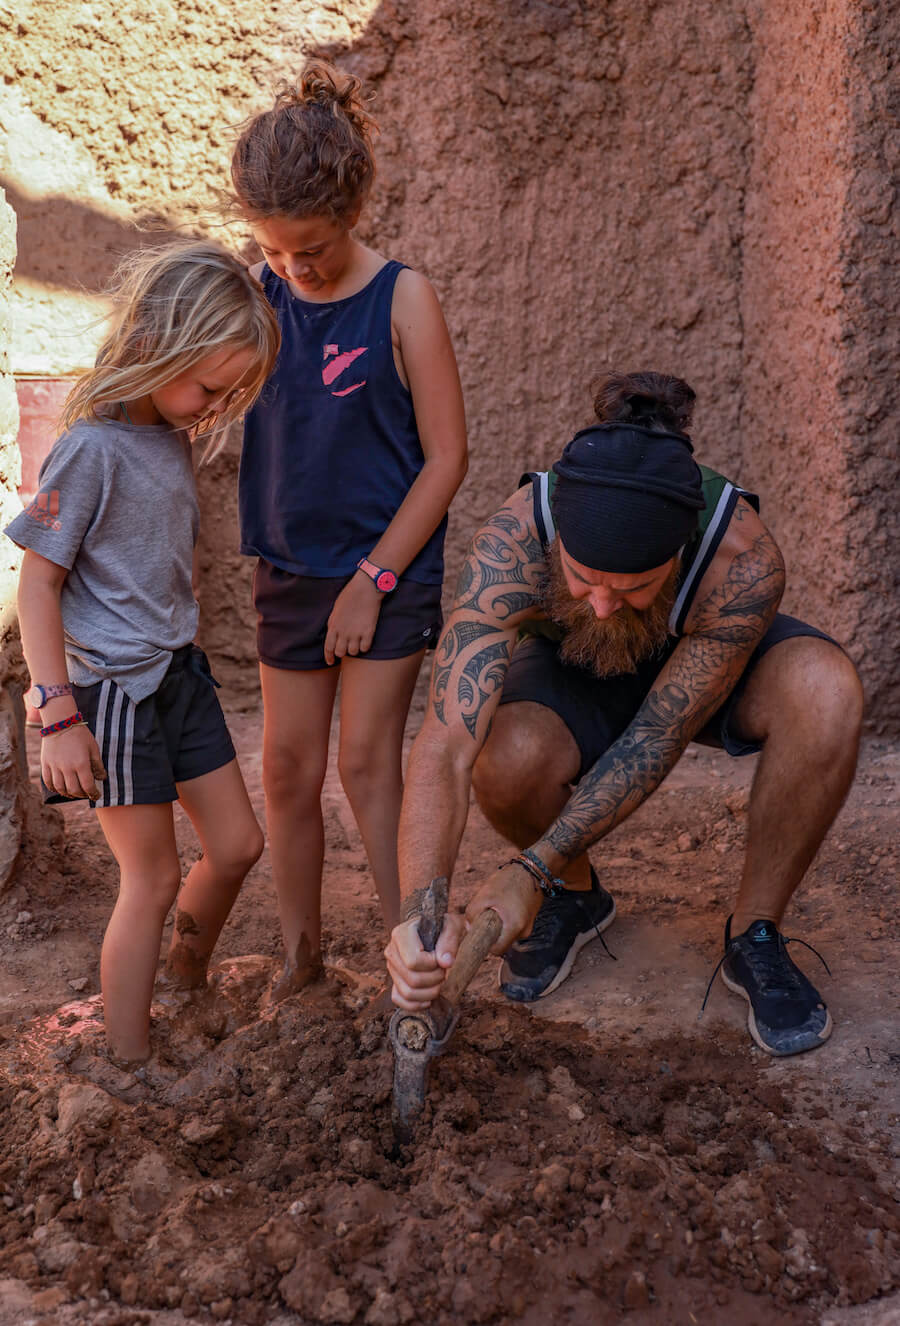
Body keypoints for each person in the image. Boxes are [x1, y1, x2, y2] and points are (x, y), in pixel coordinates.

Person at [385, 371, 864, 1057]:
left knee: (827, 691)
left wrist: (529, 869)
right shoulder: (512, 542)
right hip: (570, 670)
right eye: (583, 581)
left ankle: (755, 931)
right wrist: (420, 911)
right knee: (506, 753)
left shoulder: (742, 559)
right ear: (556, 549)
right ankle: (574, 896)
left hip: (695, 673)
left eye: (634, 587)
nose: (604, 605)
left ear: (676, 556)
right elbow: (444, 743)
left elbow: (655, 737)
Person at [5, 240, 281, 1064]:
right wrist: (57, 714)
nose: (214, 406)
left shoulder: (170, 431)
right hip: (111, 695)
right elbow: (37, 585)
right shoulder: (90, 448)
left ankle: (183, 980)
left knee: (237, 846)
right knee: (152, 879)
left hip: (179, 674)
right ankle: (128, 1061)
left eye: (232, 394)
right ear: (158, 343)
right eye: (209, 386)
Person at [229, 62, 468, 1001]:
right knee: (285, 771)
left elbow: (445, 459)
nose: (299, 268)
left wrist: (372, 580)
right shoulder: (257, 294)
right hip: (289, 568)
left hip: (388, 569)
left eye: (315, 247)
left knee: (369, 764)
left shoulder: (404, 297)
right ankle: (301, 962)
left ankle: (409, 962)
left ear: (355, 207)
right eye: (280, 251)